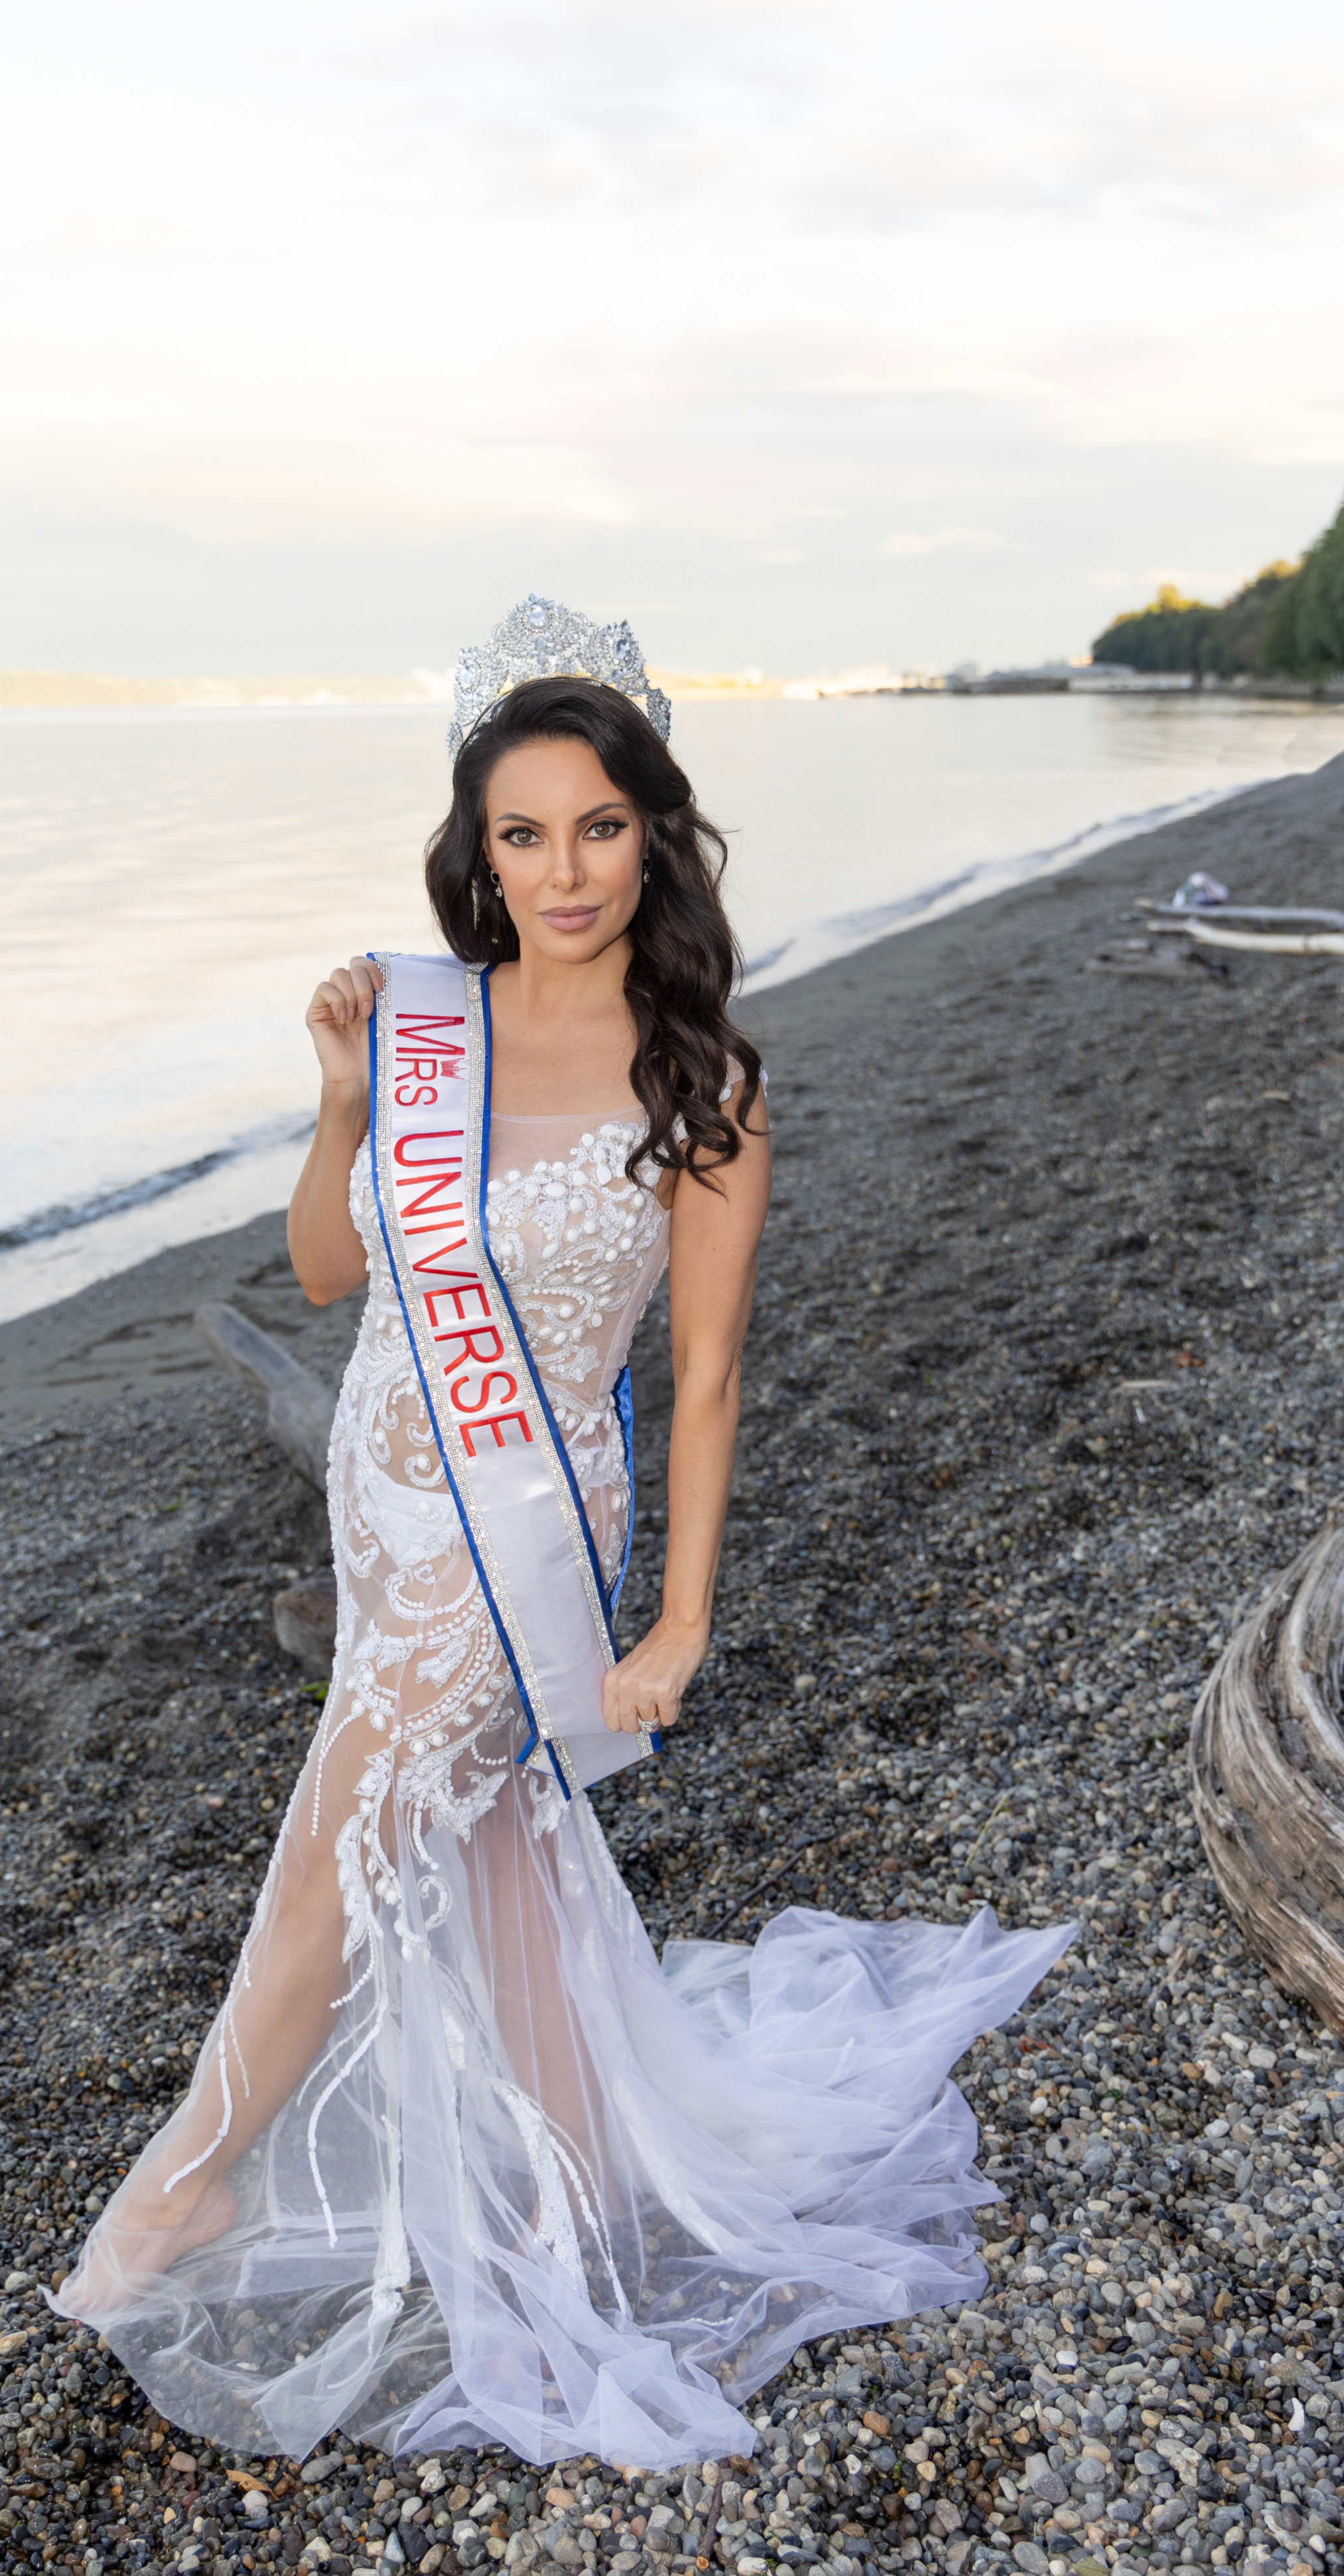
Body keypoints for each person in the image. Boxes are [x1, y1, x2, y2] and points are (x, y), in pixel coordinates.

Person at [53, 603, 1072, 2470]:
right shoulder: (423, 1026)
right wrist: (344, 1107)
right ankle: (585, 2172)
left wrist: (678, 1622)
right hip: (382, 1481)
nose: (562, 870)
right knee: (496, 1827)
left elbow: (703, 1383)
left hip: (526, 1521)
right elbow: (333, 1276)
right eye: (522, 835)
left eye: (598, 826)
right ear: (477, 849)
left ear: (652, 831)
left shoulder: (708, 1086)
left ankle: (184, 2195)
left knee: (342, 1832)